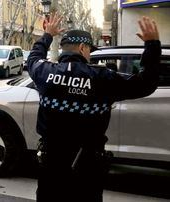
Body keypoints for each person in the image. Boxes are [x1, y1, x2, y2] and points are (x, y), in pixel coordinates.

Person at [27, 13, 160, 202]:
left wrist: (48, 34)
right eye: (89, 50)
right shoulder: (103, 78)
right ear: (83, 48)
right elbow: (146, 83)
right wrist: (152, 45)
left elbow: (33, 58)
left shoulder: (44, 72)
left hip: (51, 163)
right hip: (87, 165)